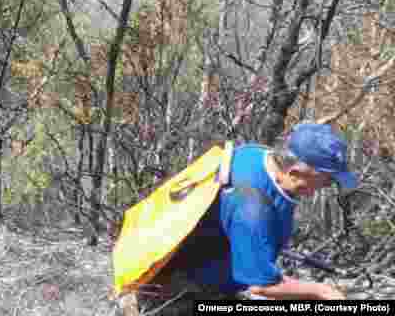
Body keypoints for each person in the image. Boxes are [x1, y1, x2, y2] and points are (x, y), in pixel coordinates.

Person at [124, 122, 354, 315]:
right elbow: (261, 285)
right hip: (174, 291)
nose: (327, 186)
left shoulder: (256, 155)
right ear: (294, 173)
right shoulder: (252, 208)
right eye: (327, 180)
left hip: (190, 270)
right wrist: (322, 292)